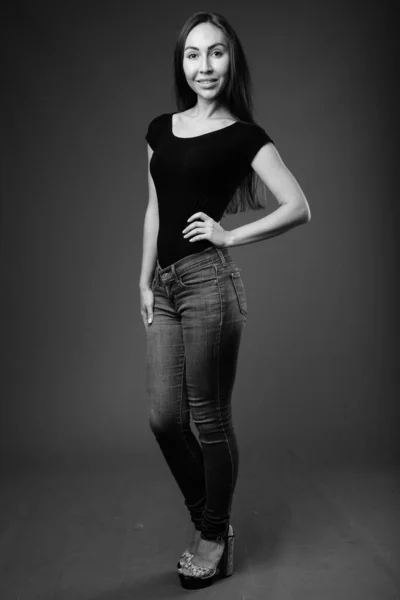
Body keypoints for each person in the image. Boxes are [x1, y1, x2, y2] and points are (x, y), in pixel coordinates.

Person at [139, 11, 311, 590]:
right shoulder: (160, 128)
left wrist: (231, 235)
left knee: (208, 421)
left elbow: (298, 205)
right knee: (166, 420)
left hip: (210, 282)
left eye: (216, 53)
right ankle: (212, 522)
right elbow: (155, 208)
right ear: (182, 63)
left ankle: (212, 536)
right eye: (193, 54)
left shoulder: (245, 136)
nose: (204, 65)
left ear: (230, 60)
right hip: (165, 286)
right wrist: (143, 281)